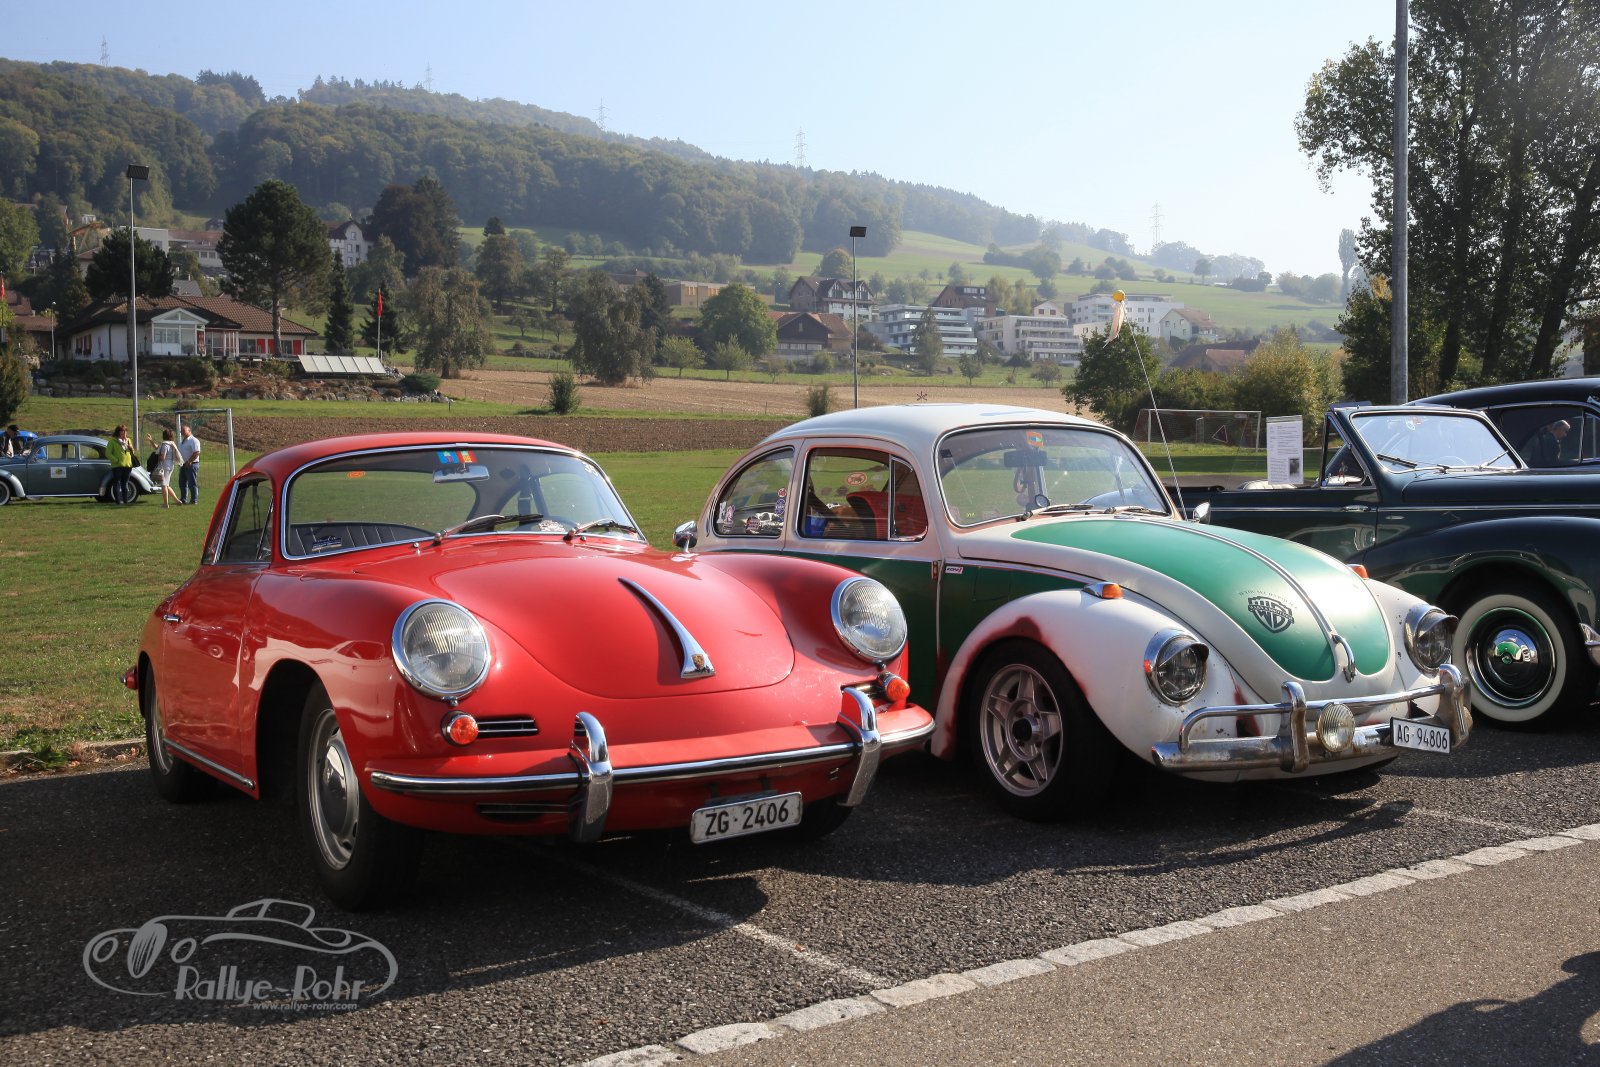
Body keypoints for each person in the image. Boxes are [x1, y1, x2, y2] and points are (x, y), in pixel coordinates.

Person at [146, 429, 181, 508]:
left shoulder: (165, 444)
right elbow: (157, 447)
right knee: (166, 484)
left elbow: (162, 457)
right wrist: (151, 441)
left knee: (164, 485)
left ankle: (165, 504)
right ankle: (177, 501)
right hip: (170, 464)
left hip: (165, 465)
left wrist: (156, 458)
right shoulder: (171, 444)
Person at [105, 424, 136, 503]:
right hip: (117, 466)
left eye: (125, 431)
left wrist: (131, 448)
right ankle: (118, 501)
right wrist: (116, 460)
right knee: (117, 483)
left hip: (128, 465)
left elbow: (132, 452)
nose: (124, 433)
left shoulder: (128, 440)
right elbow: (108, 453)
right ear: (118, 432)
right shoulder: (112, 441)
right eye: (122, 431)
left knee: (125, 483)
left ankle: (125, 501)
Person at [177, 424, 201, 505]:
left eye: (184, 430)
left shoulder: (193, 440)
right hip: (183, 464)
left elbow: (196, 452)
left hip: (191, 464)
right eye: (181, 431)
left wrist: (190, 461)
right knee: (182, 483)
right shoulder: (183, 441)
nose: (182, 432)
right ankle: (183, 499)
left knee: (192, 483)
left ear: (189, 431)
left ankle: (194, 500)